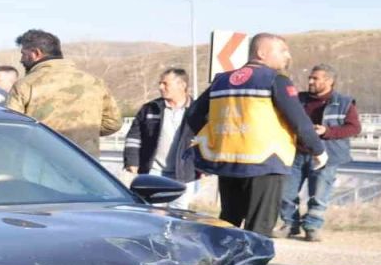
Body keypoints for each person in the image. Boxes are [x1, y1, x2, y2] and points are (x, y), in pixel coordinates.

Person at [184, 33, 327, 236]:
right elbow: (299, 120)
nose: (288, 56)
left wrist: (211, 144)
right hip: (265, 162)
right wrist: (318, 149)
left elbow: (194, 114)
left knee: (229, 223)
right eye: (282, 50)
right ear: (261, 53)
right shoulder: (275, 80)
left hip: (229, 162)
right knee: (259, 228)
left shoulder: (222, 81)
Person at [4, 29, 122, 158]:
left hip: (41, 159)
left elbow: (13, 128)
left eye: (23, 54)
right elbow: (112, 123)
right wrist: (83, 134)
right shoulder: (95, 82)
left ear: (36, 53)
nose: (21, 60)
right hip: (86, 163)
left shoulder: (25, 84)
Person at [276, 64, 361, 241]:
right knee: (286, 193)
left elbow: (354, 128)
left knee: (319, 195)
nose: (311, 81)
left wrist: (327, 132)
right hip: (296, 153)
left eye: (315, 78)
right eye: (310, 77)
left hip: (326, 155)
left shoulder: (344, 103)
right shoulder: (297, 99)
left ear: (329, 81)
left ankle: (312, 227)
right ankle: (289, 225)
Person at [123, 68, 193, 179]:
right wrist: (132, 163)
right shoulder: (150, 109)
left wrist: (203, 170)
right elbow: (133, 138)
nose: (160, 87)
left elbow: (207, 142)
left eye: (165, 84)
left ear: (182, 85)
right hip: (152, 173)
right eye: (160, 83)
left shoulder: (197, 111)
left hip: (186, 175)